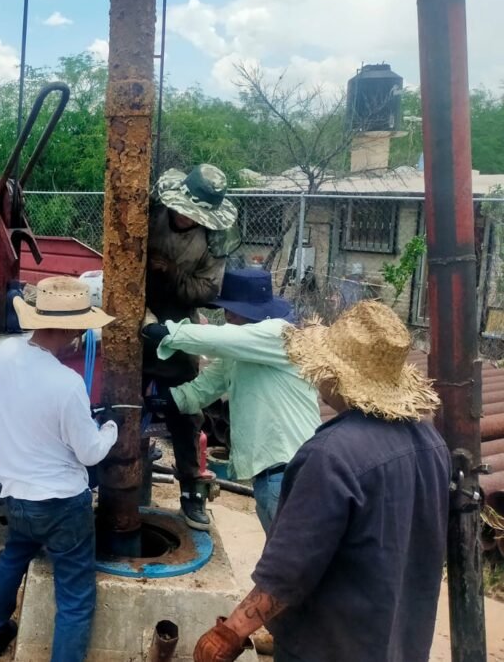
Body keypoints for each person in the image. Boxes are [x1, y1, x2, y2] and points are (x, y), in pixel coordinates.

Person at [193, 301, 450, 662]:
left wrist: (230, 631)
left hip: (330, 647)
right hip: (401, 645)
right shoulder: (431, 442)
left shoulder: (330, 455)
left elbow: (288, 573)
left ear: (335, 375)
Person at [0, 276, 119, 662]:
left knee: (14, 556)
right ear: (70, 329)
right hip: (61, 504)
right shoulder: (67, 383)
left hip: (17, 493)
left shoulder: (4, 354)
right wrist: (109, 428)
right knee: (75, 598)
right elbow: (90, 453)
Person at [140, 268, 320, 533]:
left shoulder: (278, 334)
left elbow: (214, 339)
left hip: (293, 473)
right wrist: (159, 401)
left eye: (232, 310)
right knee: (284, 563)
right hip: (270, 477)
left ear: (252, 312)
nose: (227, 316)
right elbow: (201, 391)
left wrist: (158, 331)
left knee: (293, 568)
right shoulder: (237, 352)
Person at [143, 164, 240, 531]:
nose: (185, 218)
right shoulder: (152, 211)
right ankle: (117, 480)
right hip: (132, 308)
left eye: (194, 215)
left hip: (179, 321)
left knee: (186, 409)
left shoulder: (215, 240)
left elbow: (208, 291)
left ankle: (191, 492)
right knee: (120, 401)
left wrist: (171, 273)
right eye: (182, 210)